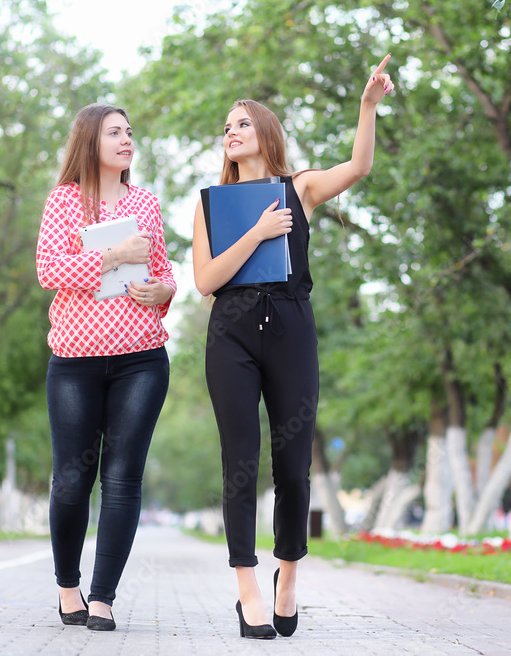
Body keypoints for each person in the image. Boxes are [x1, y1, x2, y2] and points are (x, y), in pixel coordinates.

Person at [192, 55, 394, 639]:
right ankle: (246, 588)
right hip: (230, 331)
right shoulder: (210, 204)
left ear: (266, 135)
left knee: (292, 464)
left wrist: (367, 106)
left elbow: (359, 165)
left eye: (242, 124)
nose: (231, 132)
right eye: (226, 126)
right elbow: (205, 282)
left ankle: (288, 576)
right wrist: (256, 232)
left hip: (290, 326)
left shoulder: (298, 189)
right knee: (239, 461)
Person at [36, 103, 176, 631]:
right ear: (89, 140)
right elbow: (50, 269)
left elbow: (164, 274)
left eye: (130, 132)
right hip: (75, 362)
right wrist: (114, 256)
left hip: (142, 359)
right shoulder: (63, 201)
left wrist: (163, 291)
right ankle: (68, 588)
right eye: (114, 132)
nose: (126, 140)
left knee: (122, 480)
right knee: (72, 480)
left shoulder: (146, 202)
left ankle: (102, 598)